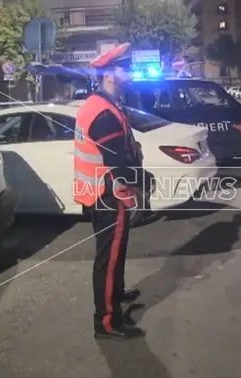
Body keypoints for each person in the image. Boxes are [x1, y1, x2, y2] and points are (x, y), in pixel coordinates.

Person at [74, 43, 146, 339]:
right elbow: (118, 161)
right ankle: (107, 321)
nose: (130, 73)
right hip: (108, 195)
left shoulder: (105, 104)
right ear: (110, 76)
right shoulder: (103, 112)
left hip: (103, 193)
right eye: (125, 69)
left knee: (115, 255)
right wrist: (145, 181)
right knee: (109, 258)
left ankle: (115, 293)